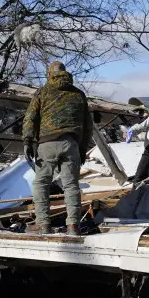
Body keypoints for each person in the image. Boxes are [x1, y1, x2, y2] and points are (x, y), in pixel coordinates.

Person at [22, 61, 94, 234]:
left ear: (49, 74)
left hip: (47, 144)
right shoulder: (79, 95)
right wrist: (82, 150)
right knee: (71, 185)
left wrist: (27, 141)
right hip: (71, 143)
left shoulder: (42, 92)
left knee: (41, 183)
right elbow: (88, 127)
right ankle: (73, 226)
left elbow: (30, 118)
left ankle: (43, 224)